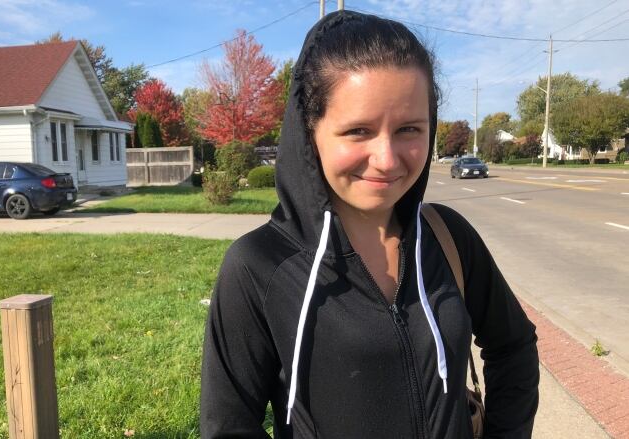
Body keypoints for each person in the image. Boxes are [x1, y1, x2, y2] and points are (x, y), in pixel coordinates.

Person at [200, 10, 539, 439]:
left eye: (409, 129)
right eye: (359, 130)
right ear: (311, 131)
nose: (387, 159)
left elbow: (513, 347)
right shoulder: (259, 265)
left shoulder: (448, 236)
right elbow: (229, 425)